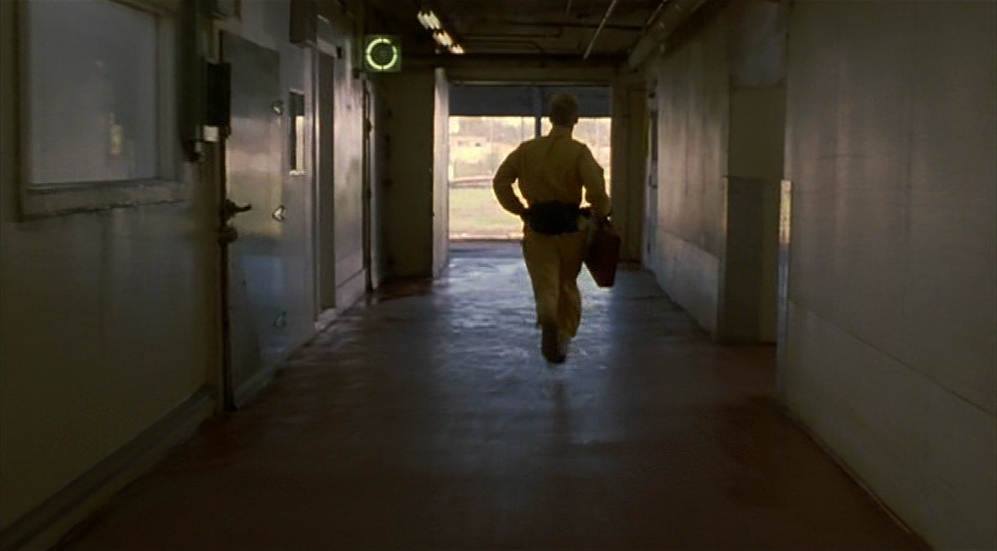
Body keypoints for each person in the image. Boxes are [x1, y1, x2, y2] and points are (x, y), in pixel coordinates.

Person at [492, 93, 611, 363]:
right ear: (576, 119)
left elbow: (501, 181)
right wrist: (600, 212)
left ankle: (547, 317)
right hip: (571, 228)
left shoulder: (526, 150)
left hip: (537, 226)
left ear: (550, 118)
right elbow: (596, 189)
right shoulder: (579, 152)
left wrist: (520, 210)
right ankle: (563, 336)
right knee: (567, 282)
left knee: (545, 282)